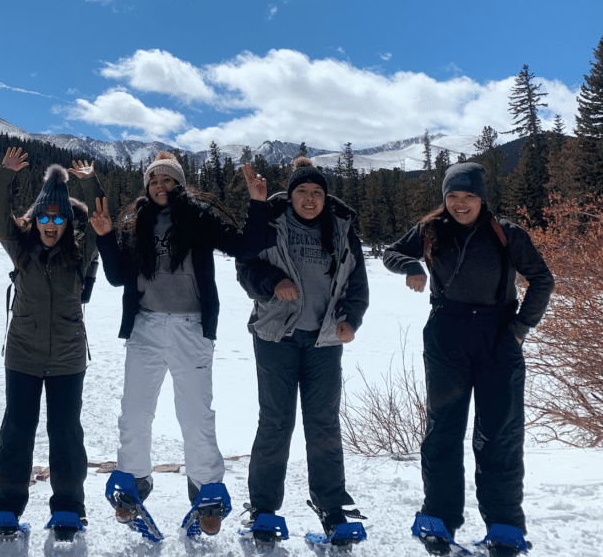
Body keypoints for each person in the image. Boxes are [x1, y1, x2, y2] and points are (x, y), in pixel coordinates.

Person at [88, 151, 265, 535]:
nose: (160, 186)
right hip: (145, 327)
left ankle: (206, 492)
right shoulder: (136, 222)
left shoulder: (199, 218)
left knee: (195, 414)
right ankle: (133, 484)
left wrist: (257, 204)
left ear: (180, 184)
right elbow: (117, 277)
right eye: (154, 180)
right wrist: (104, 237)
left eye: (167, 179)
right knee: (135, 412)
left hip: (190, 327)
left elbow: (245, 247)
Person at [382, 162, 553, 557]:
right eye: (453, 196)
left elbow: (542, 279)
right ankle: (437, 520)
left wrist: (520, 328)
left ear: (482, 198)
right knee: (442, 431)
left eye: (469, 196)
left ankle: (504, 528)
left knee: (499, 435)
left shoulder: (506, 232)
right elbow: (392, 253)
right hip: (447, 335)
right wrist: (410, 264)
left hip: (498, 337)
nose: (460, 204)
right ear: (445, 198)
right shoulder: (430, 229)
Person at [236, 157, 369, 547]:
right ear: (290, 195)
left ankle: (331, 507)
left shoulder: (342, 229)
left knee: (324, 423)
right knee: (276, 422)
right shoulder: (271, 222)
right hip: (276, 336)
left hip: (323, 340)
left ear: (325, 198)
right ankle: (263, 508)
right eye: (302, 192)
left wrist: (351, 319)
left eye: (316, 193)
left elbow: (356, 284)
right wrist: (273, 281)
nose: (310, 199)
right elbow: (246, 268)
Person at [0, 147, 103, 539]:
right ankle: (5, 507)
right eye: (44, 218)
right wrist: (5, 176)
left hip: (68, 358)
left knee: (66, 434)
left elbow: (101, 218)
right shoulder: (21, 250)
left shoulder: (81, 253)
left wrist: (92, 183)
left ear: (68, 222)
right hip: (23, 356)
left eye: (58, 218)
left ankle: (68, 508)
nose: (50, 225)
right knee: (16, 432)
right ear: (35, 220)